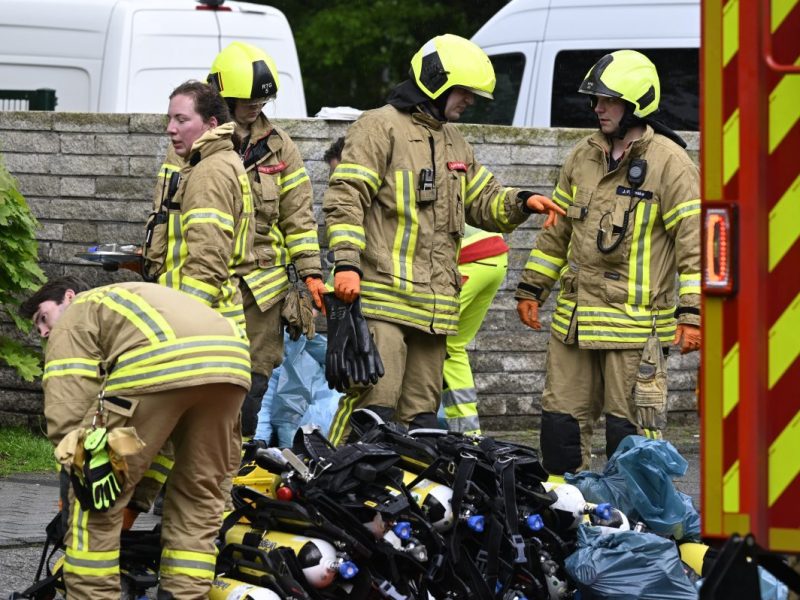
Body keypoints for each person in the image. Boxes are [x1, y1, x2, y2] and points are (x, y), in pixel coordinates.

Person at [323, 34, 565, 445]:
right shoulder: (379, 127)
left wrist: (523, 201)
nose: (469, 100)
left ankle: (402, 489)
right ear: (436, 82)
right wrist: (346, 264)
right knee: (374, 412)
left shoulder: (455, 142)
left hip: (433, 310)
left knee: (421, 423)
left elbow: (484, 200)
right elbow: (346, 198)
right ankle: (336, 482)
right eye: (464, 91)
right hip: (383, 300)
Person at [515, 50, 701, 475]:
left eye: (609, 101)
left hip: (633, 330)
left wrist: (692, 315)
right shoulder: (582, 156)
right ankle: (566, 507)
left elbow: (694, 245)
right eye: (596, 100)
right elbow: (558, 230)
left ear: (636, 104)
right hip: (575, 322)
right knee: (559, 428)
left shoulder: (671, 164)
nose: (598, 108)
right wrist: (532, 288)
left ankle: (634, 514)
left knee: (630, 437)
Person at [20, 277, 249, 599]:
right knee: (199, 499)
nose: (44, 332)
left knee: (95, 504)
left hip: (160, 362)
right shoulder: (137, 301)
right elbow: (161, 443)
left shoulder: (78, 311)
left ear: (68, 296)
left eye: (43, 318)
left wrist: (78, 473)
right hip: (232, 369)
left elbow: (68, 403)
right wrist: (138, 498)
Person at [134, 79, 255, 522]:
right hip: (210, 331)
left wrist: (181, 329)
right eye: (169, 118)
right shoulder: (208, 164)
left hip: (201, 332)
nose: (170, 128)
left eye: (181, 119)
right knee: (185, 445)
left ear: (210, 123)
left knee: (199, 459)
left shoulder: (209, 174)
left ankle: (205, 539)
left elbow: (206, 261)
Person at [206, 41, 324, 441]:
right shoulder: (200, 144)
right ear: (223, 97)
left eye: (262, 100)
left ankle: (237, 459)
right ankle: (196, 464)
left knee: (254, 378)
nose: (256, 106)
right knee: (208, 374)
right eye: (248, 100)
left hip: (262, 289)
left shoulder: (280, 146)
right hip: (210, 279)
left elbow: (298, 215)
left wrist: (311, 274)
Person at [441, 224, 509, 434]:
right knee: (451, 345)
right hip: (494, 255)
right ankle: (468, 434)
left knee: (428, 337)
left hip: (468, 256)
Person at [254, 330, 341, 447]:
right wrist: (260, 439)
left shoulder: (298, 342)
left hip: (291, 418)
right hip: (292, 419)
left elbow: (263, 402)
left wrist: (260, 439)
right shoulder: (275, 355)